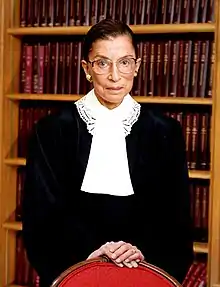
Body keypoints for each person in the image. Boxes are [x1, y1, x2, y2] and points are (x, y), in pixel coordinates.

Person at [22, 19, 193, 287]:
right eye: (102, 63)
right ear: (87, 69)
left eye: (124, 62)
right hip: (74, 269)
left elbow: (176, 221)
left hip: (144, 267)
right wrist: (91, 256)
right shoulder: (51, 130)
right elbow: (40, 218)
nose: (115, 75)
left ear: (136, 67)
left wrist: (138, 252)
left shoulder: (166, 131)